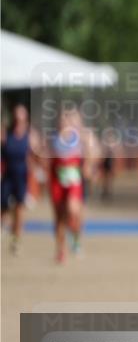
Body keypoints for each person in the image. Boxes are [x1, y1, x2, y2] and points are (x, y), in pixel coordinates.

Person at [44, 107, 99, 263]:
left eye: (69, 119)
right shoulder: (53, 138)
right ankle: (61, 250)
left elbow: (94, 153)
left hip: (75, 182)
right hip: (57, 182)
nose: (65, 122)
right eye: (63, 119)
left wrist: (89, 165)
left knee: (73, 211)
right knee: (59, 218)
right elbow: (45, 157)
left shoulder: (83, 137)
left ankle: (75, 237)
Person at [1, 105, 39, 255]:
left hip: (22, 176)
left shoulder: (30, 135)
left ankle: (16, 240)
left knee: (19, 209)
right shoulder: (5, 134)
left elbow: (34, 157)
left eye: (21, 117)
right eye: (17, 117)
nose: (19, 120)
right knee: (2, 206)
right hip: (7, 175)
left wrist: (36, 172)